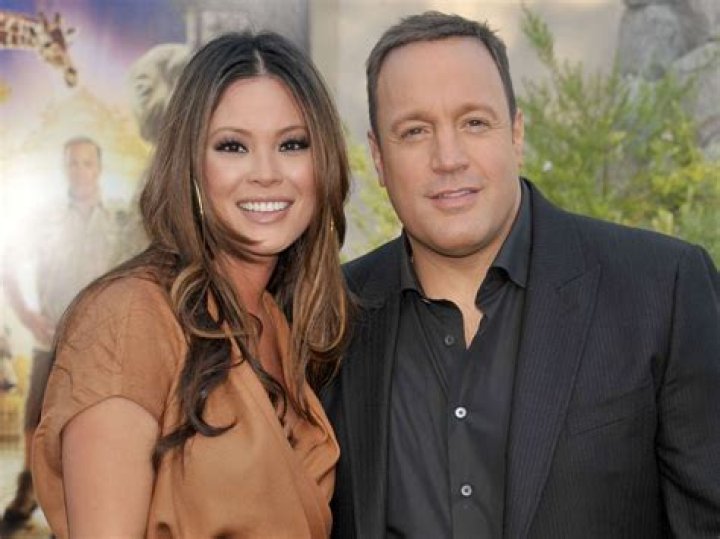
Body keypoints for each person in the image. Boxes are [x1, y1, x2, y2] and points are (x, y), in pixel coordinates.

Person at [322, 11, 720, 538]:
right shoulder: (329, 316)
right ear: (377, 157)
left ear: (516, 133)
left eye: (474, 122)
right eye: (414, 131)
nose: (448, 158)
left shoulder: (661, 290)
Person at [32, 31, 350, 538]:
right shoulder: (129, 317)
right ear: (190, 164)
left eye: (292, 144)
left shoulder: (282, 322)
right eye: (233, 146)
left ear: (323, 161)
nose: (266, 173)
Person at [2, 136, 120, 528]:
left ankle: (75, 506)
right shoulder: (45, 219)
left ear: (98, 168)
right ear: (64, 168)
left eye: (87, 163)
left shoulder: (120, 220)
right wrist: (27, 315)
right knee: (36, 418)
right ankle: (28, 491)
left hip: (100, 343)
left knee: (90, 424)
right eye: (72, 163)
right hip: (50, 338)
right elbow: (8, 264)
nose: (80, 171)